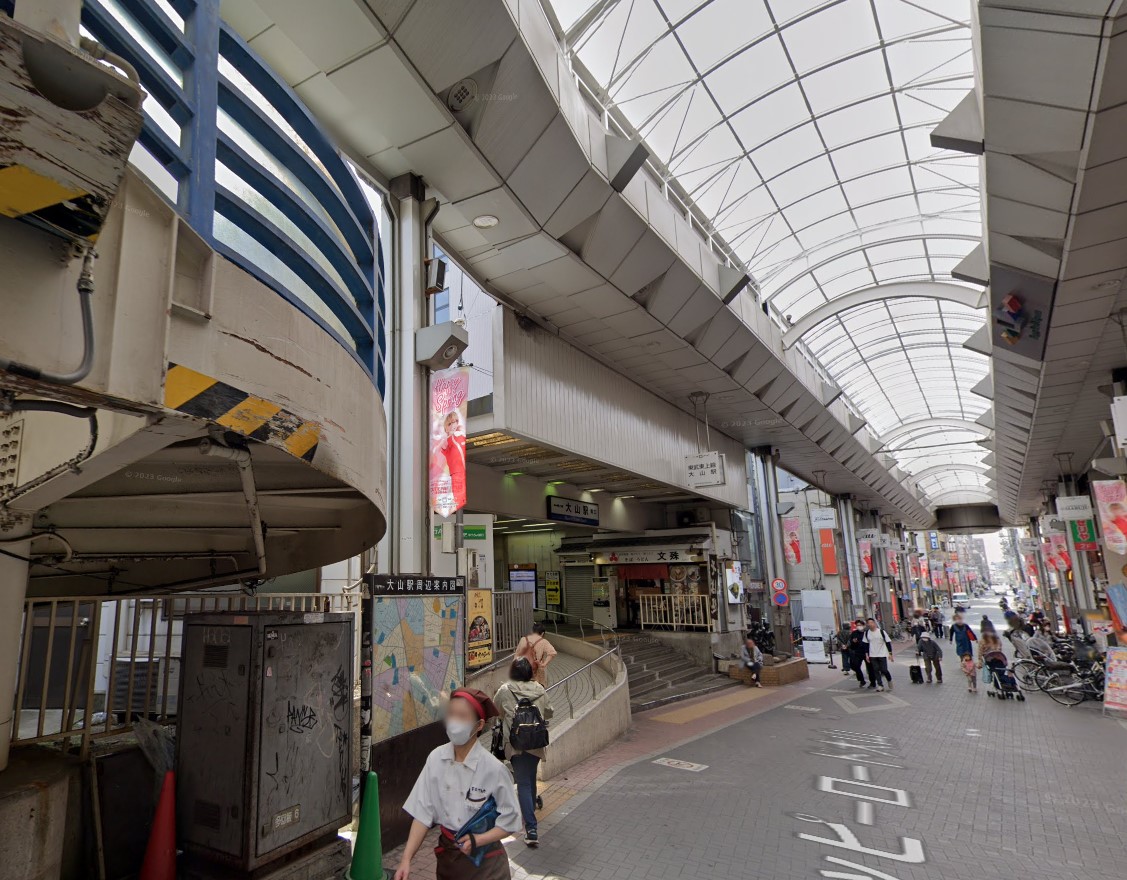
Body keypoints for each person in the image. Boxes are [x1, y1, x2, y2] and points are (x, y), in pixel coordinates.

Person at [396, 688, 522, 880]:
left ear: (479, 725)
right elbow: (423, 813)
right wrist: (406, 859)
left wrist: (478, 839)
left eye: (462, 716)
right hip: (449, 862)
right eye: (451, 714)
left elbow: (511, 820)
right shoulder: (436, 758)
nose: (454, 721)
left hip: (487, 867)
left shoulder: (494, 769)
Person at [494, 658, 553, 847]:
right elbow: (550, 711)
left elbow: (497, 711)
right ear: (530, 672)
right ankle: (531, 809)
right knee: (531, 777)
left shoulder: (505, 690)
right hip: (536, 741)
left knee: (524, 783)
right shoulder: (540, 689)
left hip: (516, 744)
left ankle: (531, 828)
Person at [863, 618, 894, 692]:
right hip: (872, 654)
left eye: (872, 622)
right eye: (869, 623)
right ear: (867, 624)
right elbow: (865, 645)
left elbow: (888, 642)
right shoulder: (867, 633)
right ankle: (880, 685)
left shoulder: (881, 632)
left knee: (884, 670)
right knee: (876, 670)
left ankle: (889, 679)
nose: (870, 624)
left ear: (875, 623)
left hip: (882, 654)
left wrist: (890, 653)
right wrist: (867, 655)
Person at [847, 619, 872, 688]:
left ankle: (872, 682)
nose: (858, 626)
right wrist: (853, 642)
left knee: (870, 668)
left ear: (864, 625)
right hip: (858, 652)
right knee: (856, 666)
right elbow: (851, 644)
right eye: (857, 625)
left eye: (860, 625)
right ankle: (862, 680)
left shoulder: (867, 632)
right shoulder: (854, 633)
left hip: (867, 652)